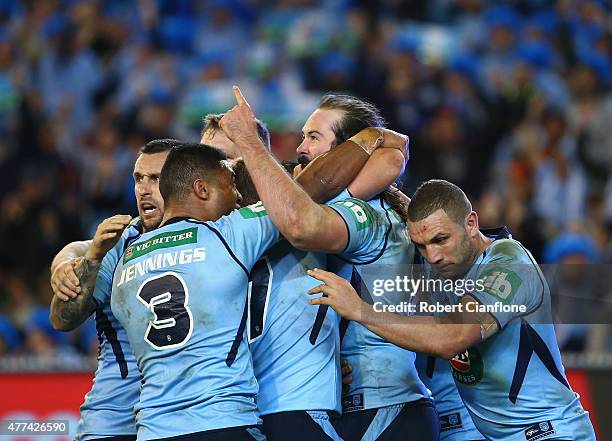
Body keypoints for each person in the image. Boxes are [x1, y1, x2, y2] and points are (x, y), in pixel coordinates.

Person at [220, 86, 439, 440]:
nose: (300, 148)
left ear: (347, 151)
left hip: (381, 409)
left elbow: (300, 226)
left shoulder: (362, 212)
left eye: (314, 137)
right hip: (366, 403)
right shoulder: (372, 203)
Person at [307, 179, 597, 441]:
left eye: (440, 240)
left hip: (548, 431)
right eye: (420, 246)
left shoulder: (509, 263)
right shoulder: (446, 267)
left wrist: (359, 309)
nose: (432, 256)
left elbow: (451, 338)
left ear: (471, 223)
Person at [49, 138, 175, 441]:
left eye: (155, 178)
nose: (143, 188)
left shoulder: (212, 236)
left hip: (179, 416)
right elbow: (62, 319)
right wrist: (87, 259)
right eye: (138, 178)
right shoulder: (116, 244)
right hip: (114, 420)